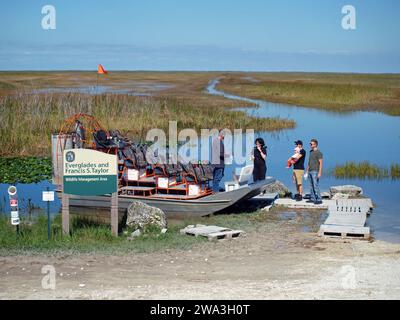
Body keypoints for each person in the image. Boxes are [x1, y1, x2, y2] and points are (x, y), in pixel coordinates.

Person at [305, 139, 323, 205]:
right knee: (311, 185)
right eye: (310, 144)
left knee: (315, 185)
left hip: (315, 171)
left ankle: (319, 199)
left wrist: (320, 172)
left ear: (315, 144)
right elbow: (309, 162)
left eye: (311, 144)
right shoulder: (310, 152)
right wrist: (306, 171)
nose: (310, 145)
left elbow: (321, 163)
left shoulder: (318, 152)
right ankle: (312, 198)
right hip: (310, 171)